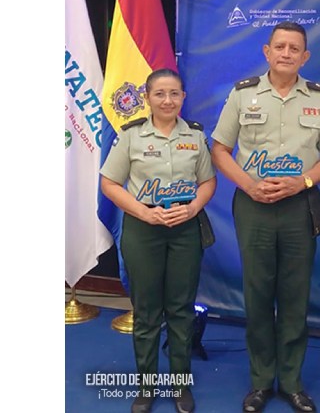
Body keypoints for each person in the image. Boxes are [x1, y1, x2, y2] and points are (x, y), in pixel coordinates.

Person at [210, 21, 320, 413]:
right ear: (267, 52)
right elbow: (219, 149)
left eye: (294, 48)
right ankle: (260, 381)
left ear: (305, 57)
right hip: (254, 206)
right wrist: (248, 185)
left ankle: (292, 381)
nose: (286, 53)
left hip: (299, 206)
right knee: (258, 292)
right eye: (279, 46)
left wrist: (302, 183)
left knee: (295, 296)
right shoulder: (242, 95)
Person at [100, 68, 217, 413]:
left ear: (183, 97)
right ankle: (146, 386)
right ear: (148, 98)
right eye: (160, 94)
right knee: (148, 311)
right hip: (142, 228)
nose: (168, 100)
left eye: (174, 94)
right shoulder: (132, 137)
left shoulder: (195, 137)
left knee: (181, 310)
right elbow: (109, 183)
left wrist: (194, 207)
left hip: (184, 229)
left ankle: (181, 385)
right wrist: (143, 212)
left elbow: (207, 182)